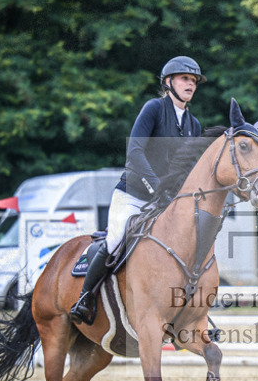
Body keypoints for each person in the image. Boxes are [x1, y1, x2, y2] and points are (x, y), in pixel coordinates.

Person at [70, 56, 206, 324]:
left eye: (193, 81)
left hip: (167, 203)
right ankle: (84, 299)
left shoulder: (194, 125)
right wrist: (157, 188)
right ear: (168, 82)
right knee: (116, 239)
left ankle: (188, 310)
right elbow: (134, 152)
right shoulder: (154, 109)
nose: (190, 84)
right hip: (133, 195)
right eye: (184, 79)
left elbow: (191, 169)